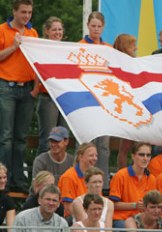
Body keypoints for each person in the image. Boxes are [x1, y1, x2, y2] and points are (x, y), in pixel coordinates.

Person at [0, 0, 39, 194]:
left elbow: (37, 62)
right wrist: (14, 46)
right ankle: (3, 180)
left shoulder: (33, 33)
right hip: (6, 86)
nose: (26, 16)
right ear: (14, 12)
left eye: (29, 12)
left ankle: (17, 179)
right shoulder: (2, 30)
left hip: (27, 89)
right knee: (6, 137)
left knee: (21, 138)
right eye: (23, 12)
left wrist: (37, 88)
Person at [79, 11, 111, 192]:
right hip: (85, 99)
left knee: (103, 145)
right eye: (93, 26)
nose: (96, 29)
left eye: (99, 26)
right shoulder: (79, 46)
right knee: (86, 142)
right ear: (88, 26)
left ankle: (103, 184)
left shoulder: (108, 48)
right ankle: (83, 182)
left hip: (104, 100)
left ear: (103, 27)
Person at [36, 16, 68, 155]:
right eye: (54, 29)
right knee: (47, 140)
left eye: (60, 29)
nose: (58, 32)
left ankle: (61, 175)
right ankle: (40, 175)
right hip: (48, 97)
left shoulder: (67, 49)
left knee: (64, 140)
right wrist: (35, 90)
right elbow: (36, 70)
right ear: (47, 31)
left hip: (64, 98)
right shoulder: (39, 48)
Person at [109, 142, 156, 229]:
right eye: (141, 155)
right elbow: (112, 204)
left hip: (143, 220)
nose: (145, 158)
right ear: (133, 156)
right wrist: (134, 205)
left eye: (148, 155)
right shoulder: (120, 175)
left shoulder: (152, 178)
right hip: (122, 219)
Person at [113, 34, 137, 169]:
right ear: (125, 46)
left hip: (136, 106)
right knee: (125, 146)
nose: (136, 48)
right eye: (133, 45)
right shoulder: (116, 63)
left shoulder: (136, 62)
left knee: (139, 145)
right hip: (123, 107)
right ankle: (122, 175)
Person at [58, 142, 97, 217]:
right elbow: (68, 208)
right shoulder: (69, 177)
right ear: (80, 157)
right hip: (72, 218)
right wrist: (86, 220)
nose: (95, 158)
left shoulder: (94, 176)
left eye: (96, 155)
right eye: (91, 155)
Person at [0, 163, 15, 228]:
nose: (3, 181)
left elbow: (11, 229)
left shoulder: (7, 200)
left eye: (4, 177)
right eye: (0, 178)